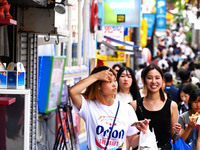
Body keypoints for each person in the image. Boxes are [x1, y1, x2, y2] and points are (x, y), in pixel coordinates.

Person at [69, 66, 149, 150]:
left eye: (115, 80)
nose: (114, 84)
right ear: (98, 86)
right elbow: (73, 92)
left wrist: (143, 133)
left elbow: (132, 141)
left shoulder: (127, 109)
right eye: (109, 81)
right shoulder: (89, 106)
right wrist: (96, 76)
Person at [130, 64, 181, 149]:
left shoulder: (172, 106)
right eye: (149, 78)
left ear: (162, 80)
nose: (154, 81)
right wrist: (142, 133)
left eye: (157, 78)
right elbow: (130, 140)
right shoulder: (134, 105)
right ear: (143, 80)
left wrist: (177, 132)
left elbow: (174, 137)